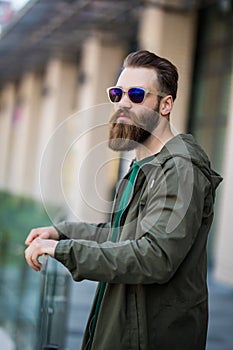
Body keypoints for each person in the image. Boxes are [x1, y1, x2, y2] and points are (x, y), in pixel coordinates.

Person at [25, 50, 222, 350]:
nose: (123, 103)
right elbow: (121, 236)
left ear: (165, 104)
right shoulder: (143, 167)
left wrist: (64, 250)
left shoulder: (181, 169)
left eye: (137, 94)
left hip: (149, 339)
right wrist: (61, 232)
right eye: (117, 93)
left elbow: (154, 256)